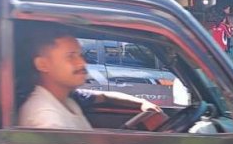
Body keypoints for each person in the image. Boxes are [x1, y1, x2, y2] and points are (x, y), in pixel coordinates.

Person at [19, 28, 161, 130]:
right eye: (71, 56)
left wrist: (142, 103)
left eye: (80, 55)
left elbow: (103, 96)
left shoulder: (68, 98)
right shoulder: (48, 121)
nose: (82, 63)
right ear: (43, 64)